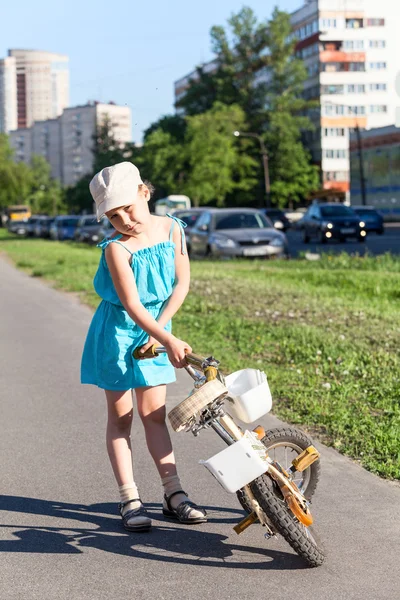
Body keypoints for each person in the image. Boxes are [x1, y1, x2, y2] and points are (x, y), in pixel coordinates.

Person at [81, 161, 207, 532]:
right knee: (121, 419)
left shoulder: (172, 229)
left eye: (128, 209)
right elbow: (133, 305)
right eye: (113, 216)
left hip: (156, 330)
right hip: (118, 334)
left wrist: (161, 333)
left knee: (154, 415)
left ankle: (174, 494)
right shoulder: (116, 250)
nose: (124, 220)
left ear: (144, 193)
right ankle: (129, 498)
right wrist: (165, 338)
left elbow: (180, 284)